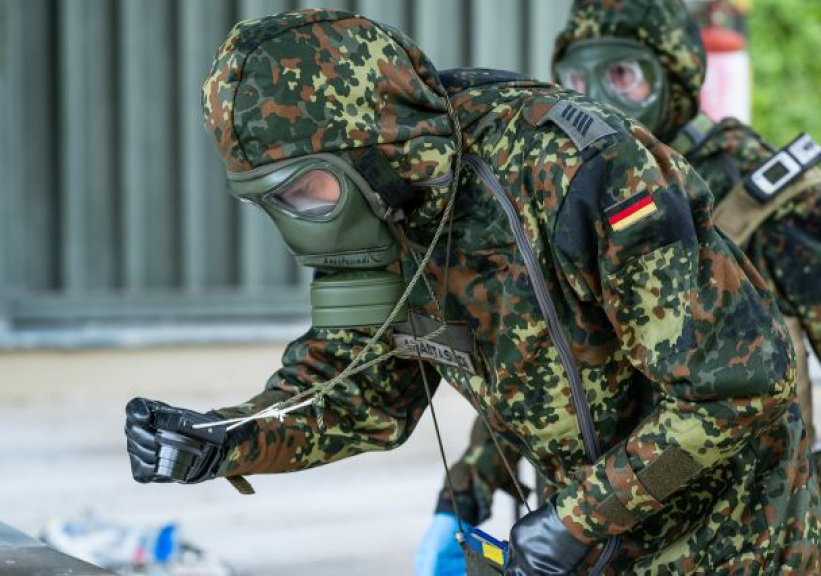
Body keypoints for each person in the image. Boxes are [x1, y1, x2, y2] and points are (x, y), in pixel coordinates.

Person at [124, 8, 820, 574]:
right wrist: (228, 438)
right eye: (273, 200)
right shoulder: (377, 209)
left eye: (306, 188)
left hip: (738, 538)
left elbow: (740, 389)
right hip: (595, 539)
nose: (300, 219)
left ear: (370, 145)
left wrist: (579, 519)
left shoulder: (577, 173)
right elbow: (363, 392)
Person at [418, 2, 821, 572]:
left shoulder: (762, 199)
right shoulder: (567, 195)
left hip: (743, 536)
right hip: (594, 532)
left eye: (624, 75)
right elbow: (531, 367)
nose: (602, 97)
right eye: (579, 79)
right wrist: (465, 491)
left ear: (675, 78)